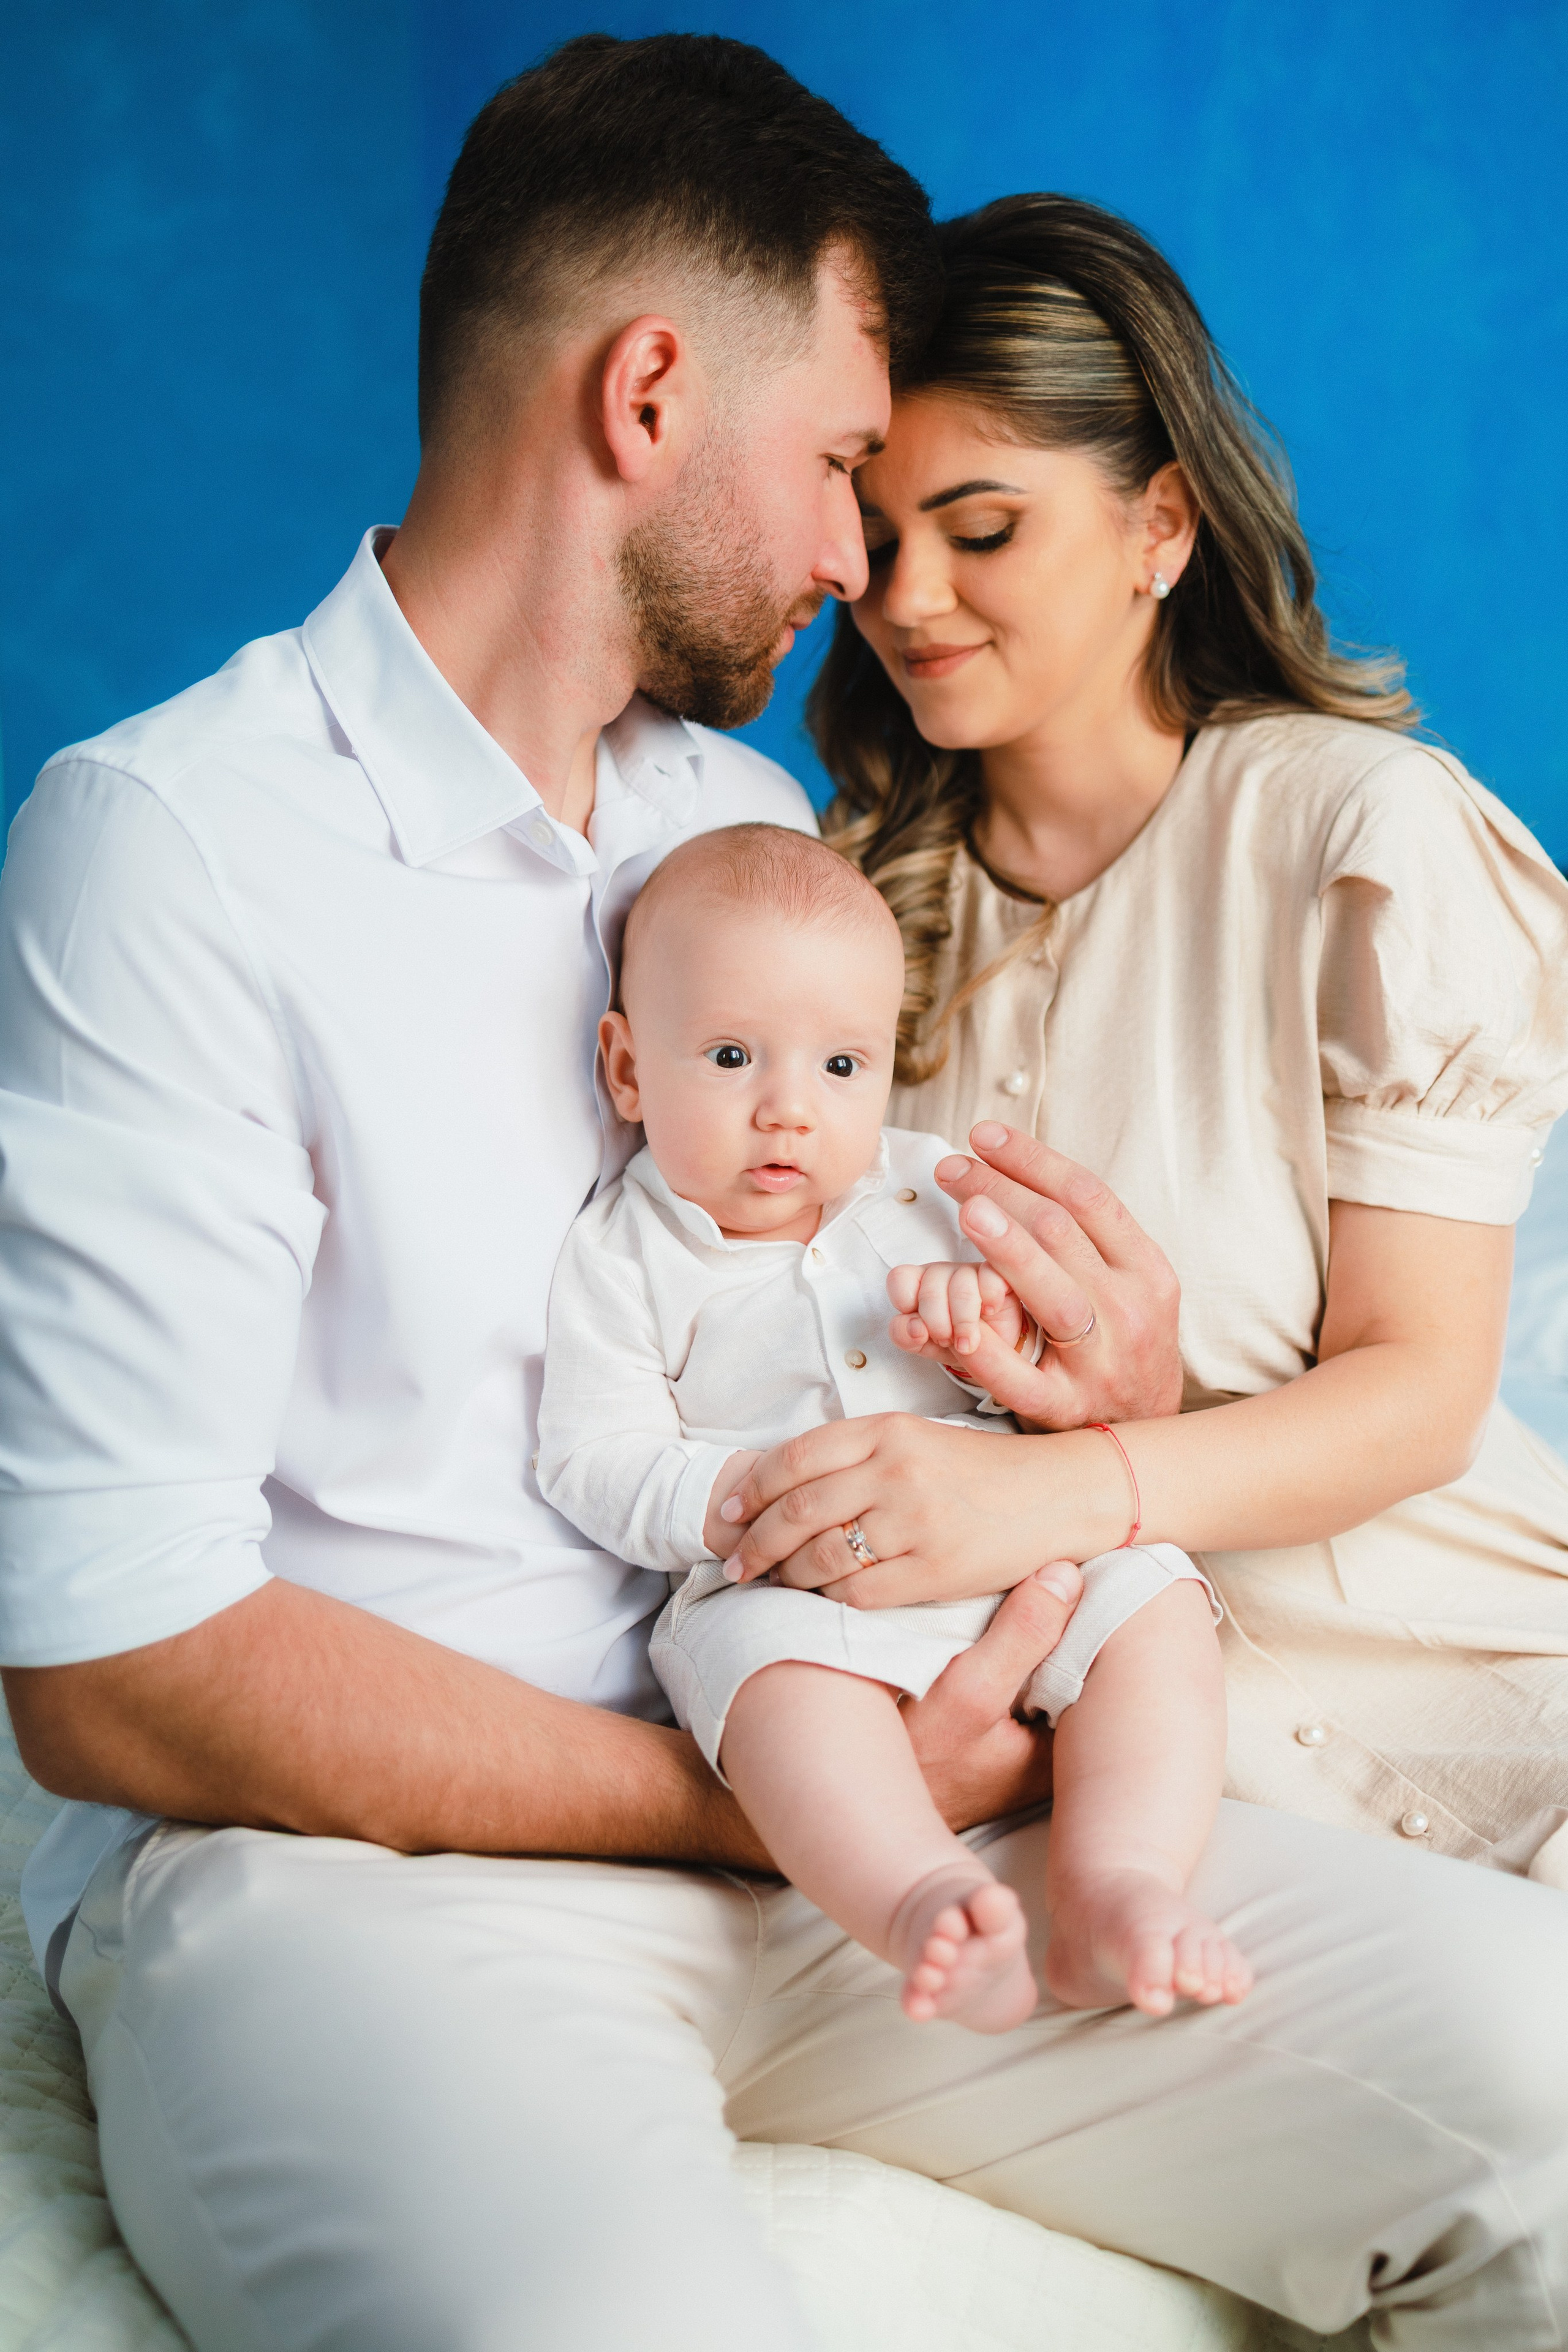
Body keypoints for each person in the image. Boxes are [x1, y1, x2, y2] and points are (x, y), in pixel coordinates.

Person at [0, 39, 1563, 2351]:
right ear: (649, 394)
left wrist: (1072, 1416)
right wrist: (748, 1798)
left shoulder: (741, 822)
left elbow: (863, 1280)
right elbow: (111, 1663)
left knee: (1541, 2091)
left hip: (878, 1801)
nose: (865, 564)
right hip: (385, 1887)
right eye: (845, 463)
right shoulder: (179, 844)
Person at [741, 189, 1568, 1896]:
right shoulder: (829, 930)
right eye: (878, 539)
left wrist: (1054, 1490)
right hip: (1155, 1802)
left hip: (1498, 1698)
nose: (908, 601)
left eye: (982, 530)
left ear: (1161, 525)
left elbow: (1420, 1393)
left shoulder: (1364, 843)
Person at [537, 821, 1243, 2030]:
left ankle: (1116, 1886)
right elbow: (588, 1457)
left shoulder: (922, 1191)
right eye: (728, 1055)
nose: (787, 1113)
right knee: (770, 1698)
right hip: (784, 1582)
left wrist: (991, 1340)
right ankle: (919, 1900)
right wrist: (726, 1499)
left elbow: (1051, 1381)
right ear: (625, 1070)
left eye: (841, 1068)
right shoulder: (622, 1255)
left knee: (1156, 1599)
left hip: (1000, 1543)